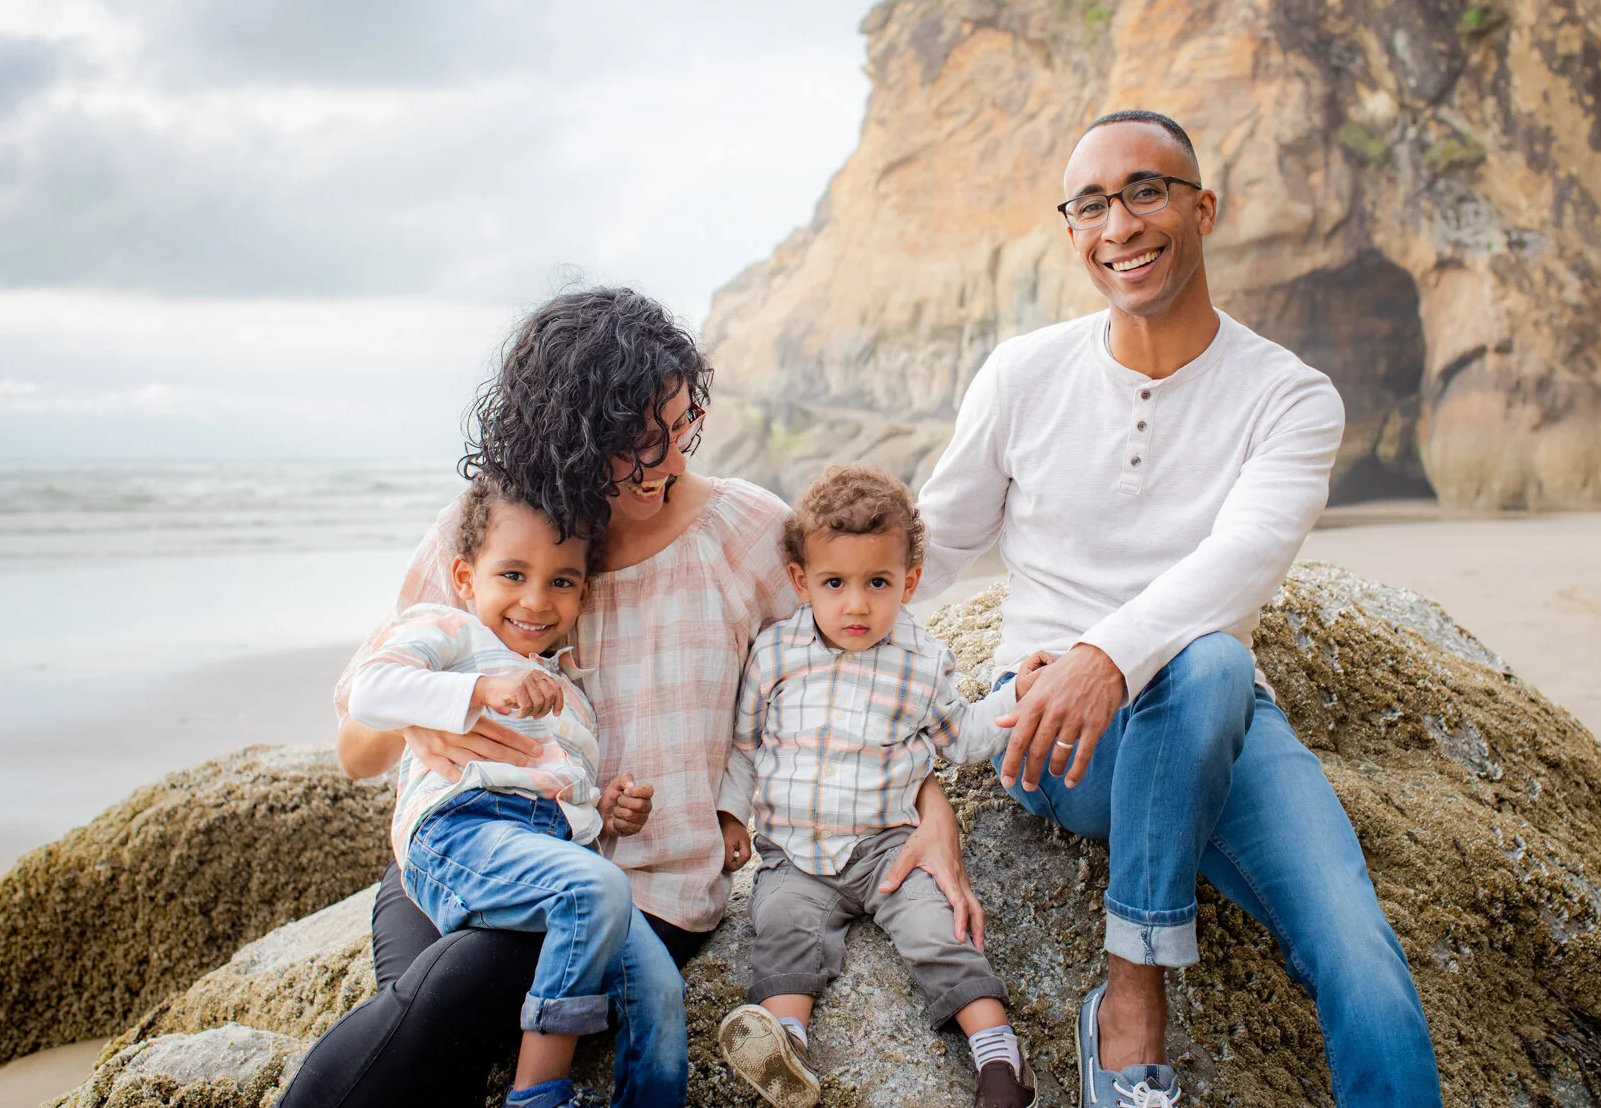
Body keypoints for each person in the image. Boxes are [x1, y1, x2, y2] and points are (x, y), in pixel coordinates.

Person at [279, 288, 984, 1108]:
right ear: (570, 438)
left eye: (683, 426)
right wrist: (420, 717)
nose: (672, 460)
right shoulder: (486, 531)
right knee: (429, 1033)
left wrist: (931, 808)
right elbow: (356, 746)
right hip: (467, 852)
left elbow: (864, 677)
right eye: (643, 443)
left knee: (446, 999)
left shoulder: (744, 533)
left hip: (643, 896)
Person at [916, 111, 1443, 1107]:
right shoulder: (1022, 374)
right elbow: (925, 549)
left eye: (1145, 192)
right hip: (1057, 731)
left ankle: (1134, 993)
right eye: (1090, 205)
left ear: (1204, 209)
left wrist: (1105, 655)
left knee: (1360, 951)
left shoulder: (1289, 397)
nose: (1118, 225)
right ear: (1071, 231)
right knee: (1210, 660)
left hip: (1216, 716)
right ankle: (1133, 1001)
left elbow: (1240, 561)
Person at [714, 467, 1040, 1108]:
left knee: (937, 930)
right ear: (801, 581)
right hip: (795, 854)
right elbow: (746, 746)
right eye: (835, 583)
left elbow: (965, 737)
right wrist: (731, 816)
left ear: (909, 583)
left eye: (878, 583)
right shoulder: (775, 654)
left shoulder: (921, 661)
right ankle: (785, 1048)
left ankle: (999, 1058)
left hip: (892, 847)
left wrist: (1017, 696)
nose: (856, 605)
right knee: (781, 928)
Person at [347, 476, 668, 1108]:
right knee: (596, 889)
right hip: (460, 830)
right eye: (513, 575)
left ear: (584, 591)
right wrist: (476, 691)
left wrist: (604, 810)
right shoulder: (449, 632)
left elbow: (558, 790)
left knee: (658, 992)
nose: (536, 600)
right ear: (466, 579)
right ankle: (538, 1096)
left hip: (546, 845)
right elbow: (369, 692)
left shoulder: (568, 690)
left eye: (562, 581)